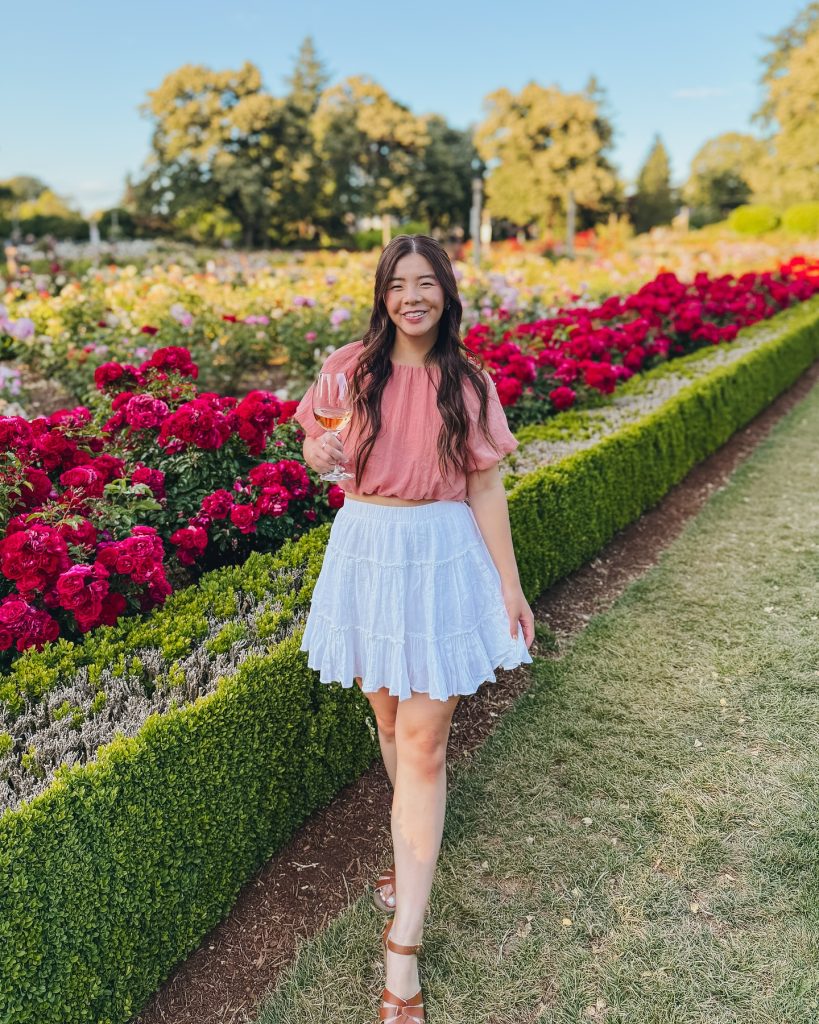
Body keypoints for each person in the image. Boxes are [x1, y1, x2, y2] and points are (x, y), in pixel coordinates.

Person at [293, 234, 534, 1022]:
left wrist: (510, 585)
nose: (412, 298)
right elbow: (316, 445)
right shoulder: (347, 367)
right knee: (390, 724)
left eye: (425, 283)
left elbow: (487, 488)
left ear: (446, 294)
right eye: (398, 285)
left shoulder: (466, 382)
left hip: (437, 556)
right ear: (382, 295)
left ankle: (404, 946)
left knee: (424, 744)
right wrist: (318, 448)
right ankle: (409, 855)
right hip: (364, 549)